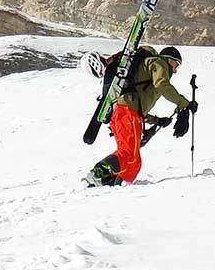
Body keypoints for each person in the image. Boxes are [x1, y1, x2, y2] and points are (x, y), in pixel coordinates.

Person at [84, 45, 197, 187]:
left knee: (134, 162)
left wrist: (157, 120)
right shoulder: (159, 62)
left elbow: (138, 104)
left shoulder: (150, 67)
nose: (175, 70)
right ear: (169, 59)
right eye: (176, 64)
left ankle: (113, 184)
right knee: (128, 153)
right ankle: (97, 173)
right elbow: (162, 85)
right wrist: (184, 103)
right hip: (125, 112)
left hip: (126, 113)